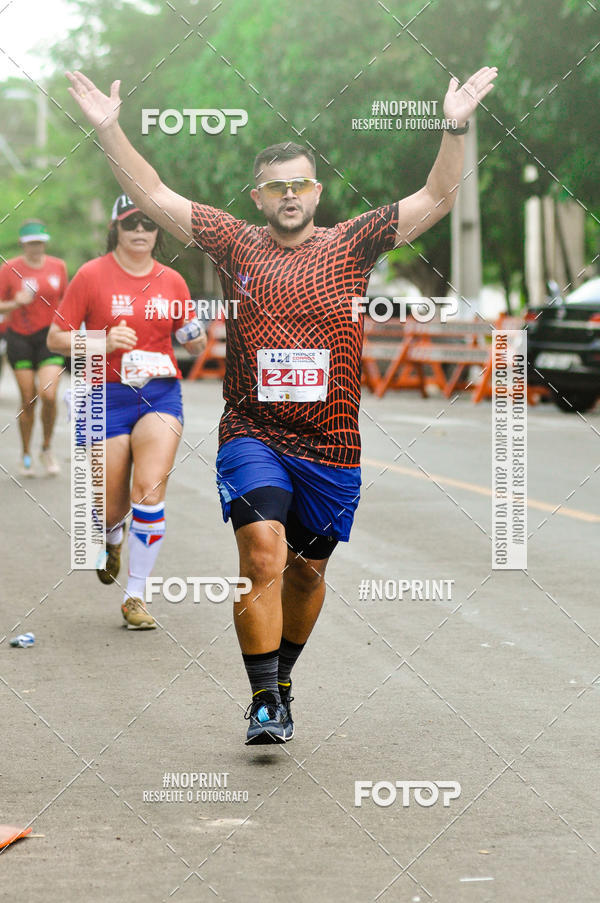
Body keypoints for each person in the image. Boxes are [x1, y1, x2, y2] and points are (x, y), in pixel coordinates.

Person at [66, 65, 497, 739]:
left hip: (332, 443)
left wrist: (456, 123)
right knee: (262, 554)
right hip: (252, 434)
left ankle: (284, 677)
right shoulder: (236, 240)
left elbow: (438, 195)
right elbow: (149, 190)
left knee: (306, 573)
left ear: (315, 191)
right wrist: (109, 129)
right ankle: (264, 698)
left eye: (300, 183)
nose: (289, 194)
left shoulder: (353, 243)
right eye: (276, 186)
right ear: (258, 196)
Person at [47, 195, 206, 629]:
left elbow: (193, 342)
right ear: (116, 227)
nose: (141, 231)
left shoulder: (172, 281)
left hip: (160, 394)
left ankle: (135, 596)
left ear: (157, 232)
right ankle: (111, 535)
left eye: (149, 224)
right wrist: (99, 341)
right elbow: (56, 339)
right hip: (105, 397)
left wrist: (195, 339)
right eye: (131, 223)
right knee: (112, 506)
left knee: (150, 492)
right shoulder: (91, 275)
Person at [0, 221, 67, 476]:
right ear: (23, 244)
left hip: (50, 338)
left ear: (45, 242)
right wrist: (13, 303)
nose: (36, 248)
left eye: (39, 242)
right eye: (31, 244)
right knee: (28, 399)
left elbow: (67, 300)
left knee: (48, 395)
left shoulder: (58, 267)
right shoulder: (9, 269)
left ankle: (46, 448)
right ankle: (26, 453)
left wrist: (70, 331)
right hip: (19, 338)